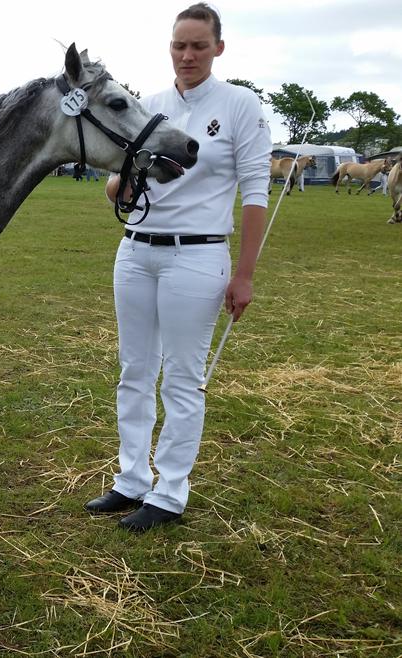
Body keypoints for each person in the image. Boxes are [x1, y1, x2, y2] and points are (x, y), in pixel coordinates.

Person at [83, 3, 271, 533]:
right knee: (134, 371)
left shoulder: (240, 106)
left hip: (199, 254)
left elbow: (256, 192)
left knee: (182, 379)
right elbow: (115, 185)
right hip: (136, 251)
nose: (187, 55)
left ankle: (170, 492)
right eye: (178, 45)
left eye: (198, 45)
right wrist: (120, 182)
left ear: (218, 48)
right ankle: (131, 480)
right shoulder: (149, 106)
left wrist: (245, 274)